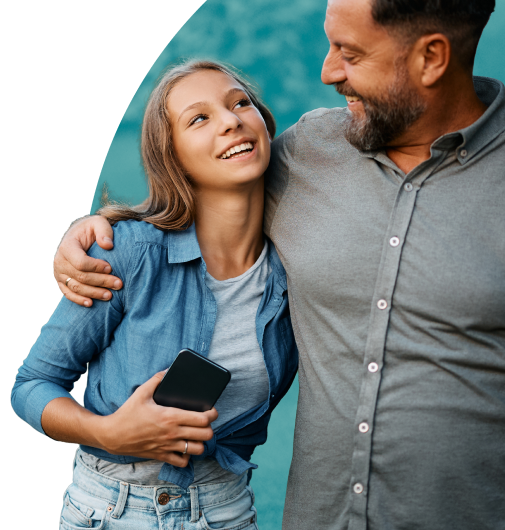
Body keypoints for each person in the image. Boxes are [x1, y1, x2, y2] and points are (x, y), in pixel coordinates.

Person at [48, 0, 505, 530]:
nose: (329, 72)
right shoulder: (303, 154)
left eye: (350, 53)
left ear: (431, 59)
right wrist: (92, 228)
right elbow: (198, 194)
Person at [12, 60, 298, 528]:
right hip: (109, 509)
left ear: (264, 126)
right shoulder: (130, 253)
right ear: (173, 156)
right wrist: (110, 432)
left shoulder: (297, 271)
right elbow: (30, 386)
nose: (231, 120)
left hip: (225, 511)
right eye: (199, 118)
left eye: (240, 103)